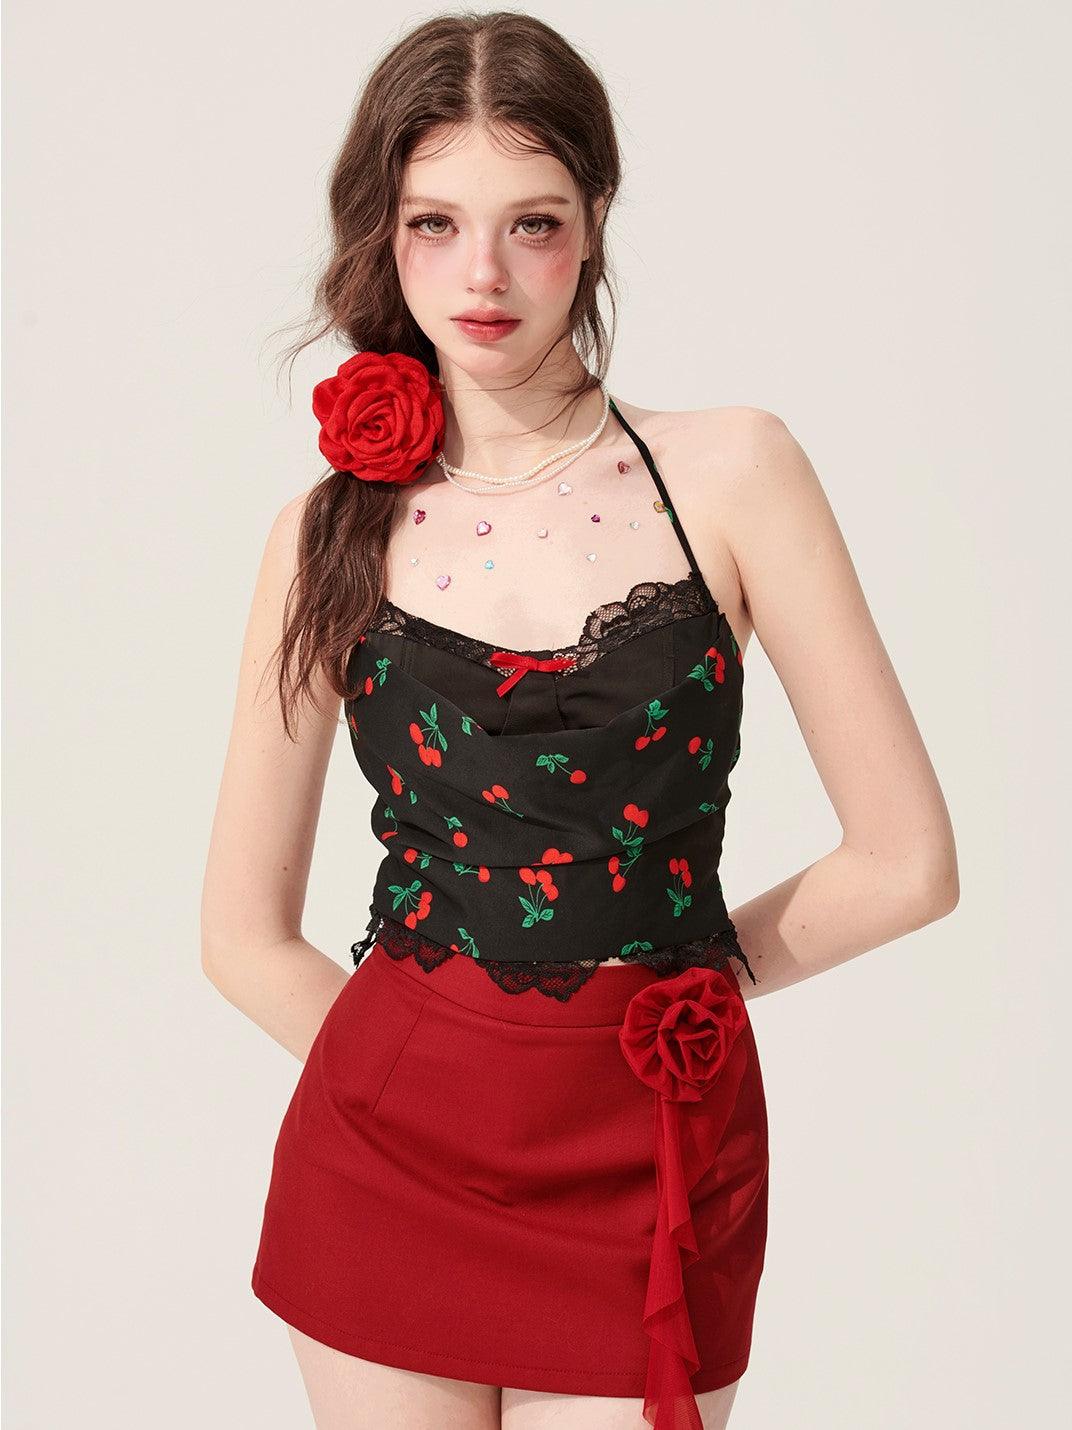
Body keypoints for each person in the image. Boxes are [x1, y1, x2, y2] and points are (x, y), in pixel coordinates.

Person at [201, 12, 960, 1429]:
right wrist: (424, 1068)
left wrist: (685, 999)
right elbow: (240, 936)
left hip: (651, 1143)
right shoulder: (321, 532)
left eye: (532, 223)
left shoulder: (736, 470)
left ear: (596, 220)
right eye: (435, 223)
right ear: (384, 232)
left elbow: (907, 863)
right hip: (384, 1163)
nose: (482, 275)